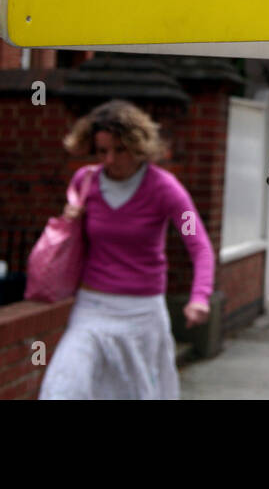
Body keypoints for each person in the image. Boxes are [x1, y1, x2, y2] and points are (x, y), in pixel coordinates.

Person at [39, 99, 215, 400]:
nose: (109, 159)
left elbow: (198, 243)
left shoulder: (165, 189)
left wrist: (199, 297)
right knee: (64, 388)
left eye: (119, 150)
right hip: (91, 307)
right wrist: (71, 222)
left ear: (138, 146)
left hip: (142, 313)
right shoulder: (85, 182)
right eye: (101, 150)